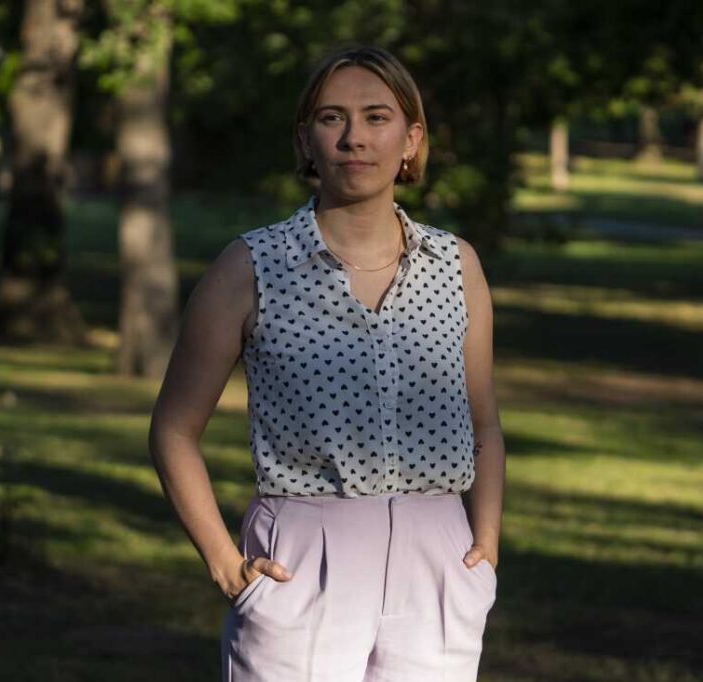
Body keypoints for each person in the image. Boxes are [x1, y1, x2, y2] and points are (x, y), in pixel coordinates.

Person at [148, 44, 505, 681]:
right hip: (305, 557)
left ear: (411, 138)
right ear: (306, 141)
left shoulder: (457, 266)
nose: (354, 138)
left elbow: (484, 427)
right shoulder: (250, 268)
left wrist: (485, 546)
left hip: (440, 560)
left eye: (376, 117)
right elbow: (174, 430)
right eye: (331, 118)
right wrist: (227, 566)